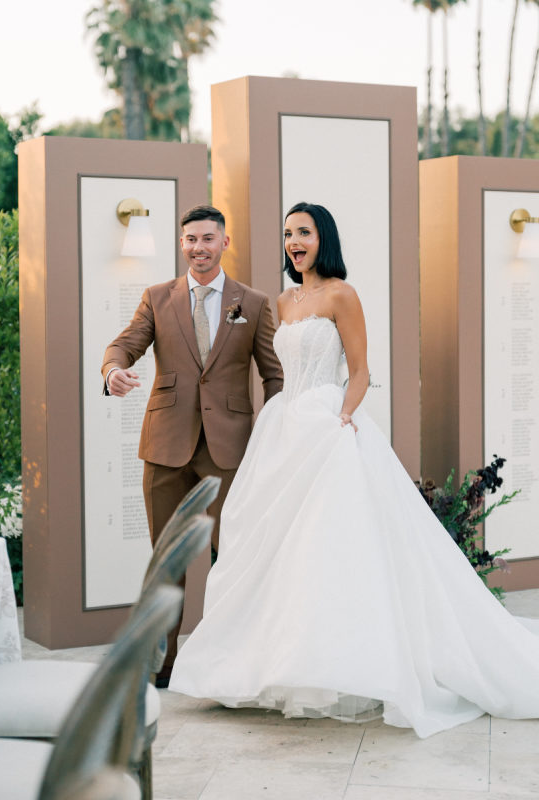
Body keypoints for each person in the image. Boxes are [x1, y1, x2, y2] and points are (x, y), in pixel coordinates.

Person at [169, 201, 539, 738]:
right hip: (283, 430)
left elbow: (361, 371)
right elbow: (278, 371)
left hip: (328, 427)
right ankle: (277, 666)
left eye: (305, 232)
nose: (295, 242)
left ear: (324, 238)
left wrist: (341, 417)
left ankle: (347, 667)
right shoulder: (283, 300)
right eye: (289, 233)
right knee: (276, 548)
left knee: (327, 547)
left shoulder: (343, 294)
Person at [101, 204, 283, 687]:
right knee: (167, 559)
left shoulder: (254, 302)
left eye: (207, 238)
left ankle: (233, 659)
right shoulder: (157, 298)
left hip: (230, 449)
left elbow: (275, 374)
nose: (198, 248)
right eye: (190, 240)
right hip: (164, 447)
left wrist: (276, 434)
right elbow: (125, 344)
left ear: (224, 242)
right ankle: (160, 665)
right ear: (182, 244)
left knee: (234, 557)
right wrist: (113, 370)